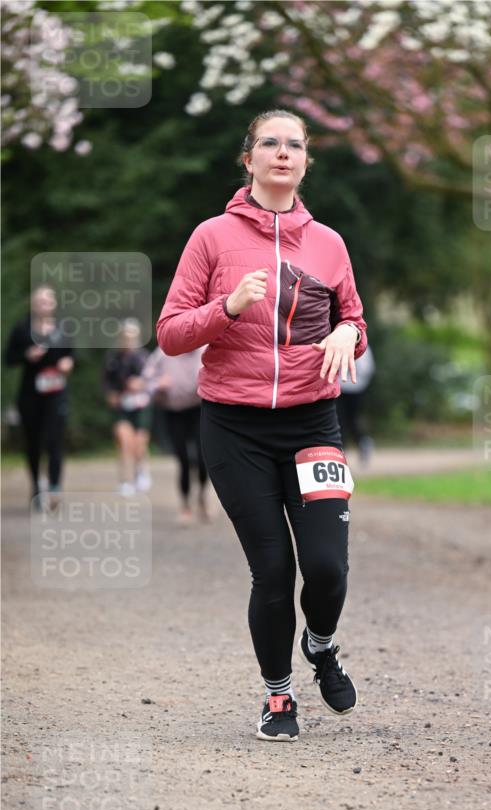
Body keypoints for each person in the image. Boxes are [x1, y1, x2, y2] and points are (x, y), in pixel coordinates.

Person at [157, 109, 368, 742]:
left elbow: (355, 323)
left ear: (306, 162)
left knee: (327, 568)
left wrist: (344, 333)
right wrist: (227, 306)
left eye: (294, 145)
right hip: (234, 427)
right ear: (247, 160)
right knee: (273, 571)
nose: (282, 153)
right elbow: (169, 334)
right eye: (269, 143)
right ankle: (279, 698)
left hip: (313, 421)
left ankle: (321, 644)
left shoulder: (328, 243)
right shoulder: (212, 238)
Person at [4, 285, 74, 507]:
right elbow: (8, 358)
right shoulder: (23, 328)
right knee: (33, 443)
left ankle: (54, 488)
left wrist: (68, 363)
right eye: (40, 301)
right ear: (33, 305)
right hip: (30, 394)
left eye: (48, 300)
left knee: (54, 440)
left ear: (54, 304)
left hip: (56, 393)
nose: (45, 305)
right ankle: (36, 486)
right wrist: (27, 355)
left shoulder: (63, 328)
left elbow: (72, 356)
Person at [142, 344, 209, 524]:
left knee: (204, 458)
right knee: (183, 459)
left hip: (198, 410)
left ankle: (202, 495)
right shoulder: (163, 352)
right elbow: (146, 378)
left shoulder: (205, 349)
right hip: (173, 412)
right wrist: (157, 385)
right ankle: (185, 504)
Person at [102, 319, 152, 496]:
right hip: (122, 407)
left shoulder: (144, 357)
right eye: (125, 336)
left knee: (138, 445)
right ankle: (125, 480)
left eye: (131, 337)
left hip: (141, 407)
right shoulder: (113, 358)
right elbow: (106, 382)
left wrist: (140, 383)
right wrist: (111, 394)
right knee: (124, 441)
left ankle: (141, 471)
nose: (128, 340)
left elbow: (152, 380)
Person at [336, 343, 376, 465]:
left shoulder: (363, 346)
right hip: (339, 388)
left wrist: (356, 381)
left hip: (356, 389)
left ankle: (362, 442)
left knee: (352, 420)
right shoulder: (337, 341)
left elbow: (367, 369)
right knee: (339, 420)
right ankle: (340, 454)